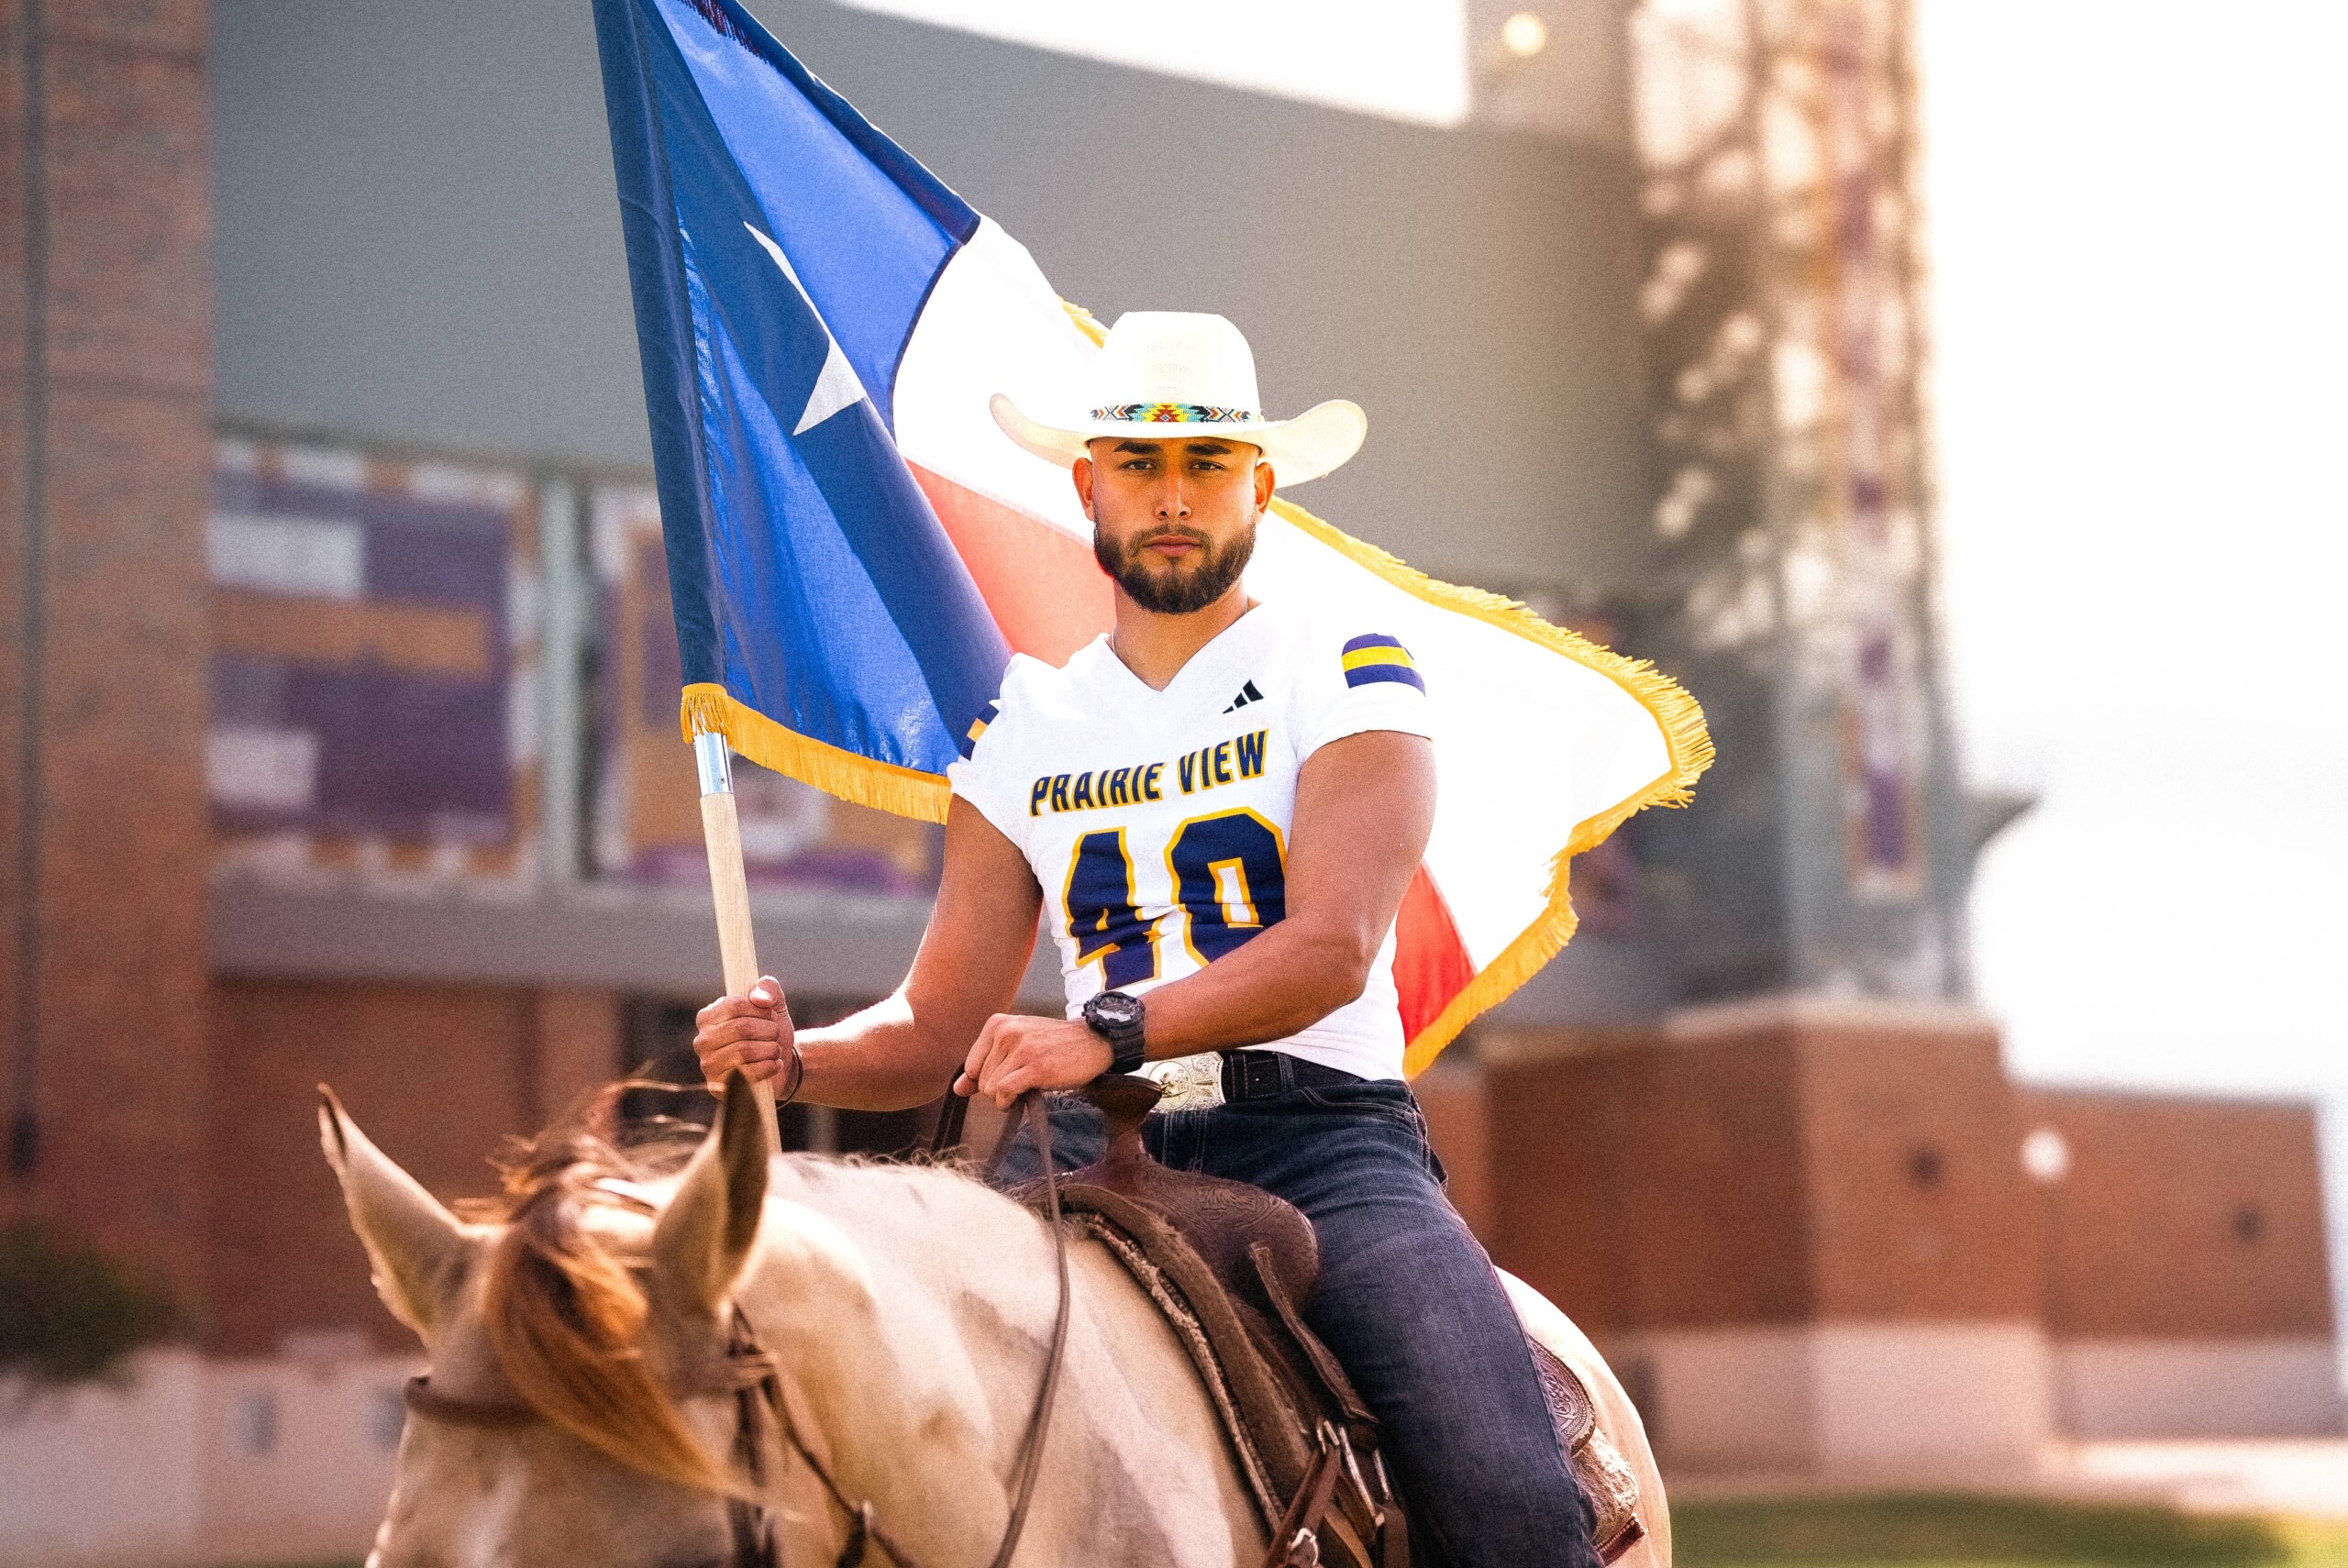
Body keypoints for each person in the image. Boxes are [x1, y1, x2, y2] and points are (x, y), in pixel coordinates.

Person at [692, 312, 1599, 1568]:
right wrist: (796, 1059)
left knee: (1506, 1499)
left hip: (1323, 1144)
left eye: (1208, 464)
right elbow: (936, 1025)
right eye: (1139, 464)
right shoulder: (1021, 726)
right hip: (1082, 1143)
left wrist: (1101, 1027)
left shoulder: (1344, 662)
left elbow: (1334, 947)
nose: (1173, 495)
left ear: (1260, 487)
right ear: (1089, 486)